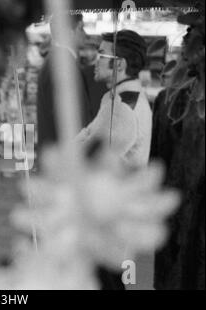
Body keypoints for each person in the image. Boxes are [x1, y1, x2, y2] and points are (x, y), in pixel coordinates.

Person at [152, 10, 205, 290]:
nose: (184, 42)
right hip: (178, 227)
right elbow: (161, 164)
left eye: (191, 34)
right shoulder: (172, 101)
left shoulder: (173, 100)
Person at [76, 30, 152, 169]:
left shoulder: (122, 107)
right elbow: (89, 136)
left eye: (101, 55)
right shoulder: (124, 97)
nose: (96, 61)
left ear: (119, 64)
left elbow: (89, 156)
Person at [36, 14, 90, 158]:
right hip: (62, 160)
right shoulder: (62, 66)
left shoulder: (57, 62)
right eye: (81, 28)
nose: (85, 34)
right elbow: (66, 120)